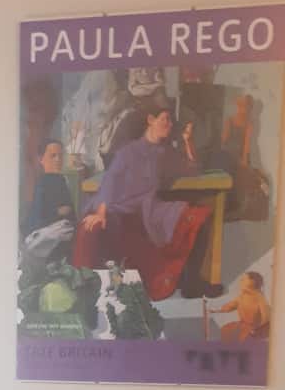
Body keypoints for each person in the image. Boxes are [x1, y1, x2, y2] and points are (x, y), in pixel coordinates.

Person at [72, 105, 219, 301]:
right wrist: (101, 212)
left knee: (199, 218)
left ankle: (191, 283)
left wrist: (187, 141)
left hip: (149, 210)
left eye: (171, 121)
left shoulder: (165, 153)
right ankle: (88, 289)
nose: (169, 124)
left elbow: (193, 170)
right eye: (165, 119)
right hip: (120, 209)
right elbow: (110, 181)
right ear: (150, 120)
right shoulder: (128, 151)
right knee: (91, 230)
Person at [24, 138, 75, 238]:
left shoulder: (61, 180)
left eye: (60, 156)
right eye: (53, 156)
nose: (58, 160)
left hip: (62, 229)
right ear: (41, 159)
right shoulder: (42, 183)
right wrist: (58, 212)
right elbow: (38, 217)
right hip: (42, 234)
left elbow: (71, 212)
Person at [210, 271, 270, 342]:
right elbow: (229, 306)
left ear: (253, 282)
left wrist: (256, 329)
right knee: (226, 330)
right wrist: (216, 309)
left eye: (243, 279)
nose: (240, 281)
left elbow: (266, 315)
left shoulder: (259, 297)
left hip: (256, 330)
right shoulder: (242, 296)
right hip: (245, 326)